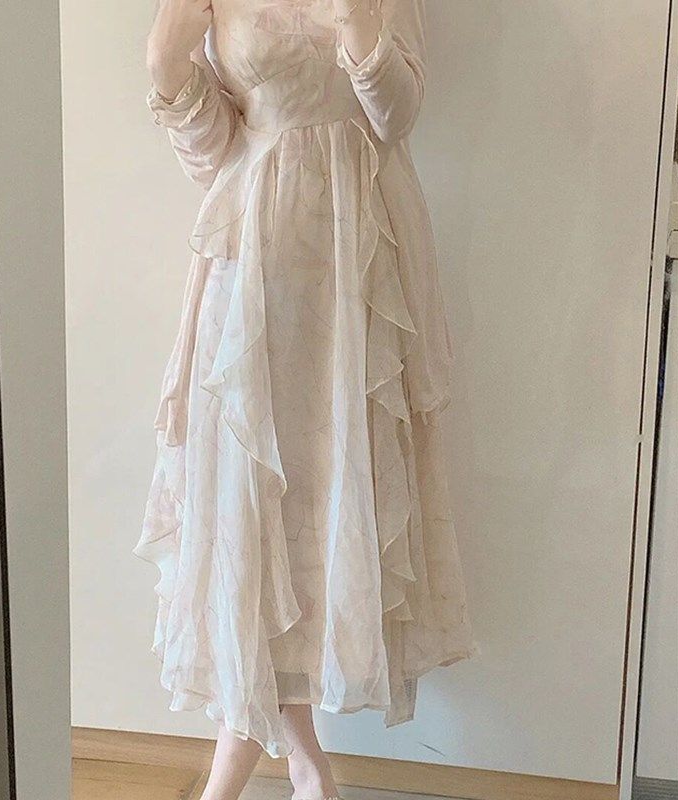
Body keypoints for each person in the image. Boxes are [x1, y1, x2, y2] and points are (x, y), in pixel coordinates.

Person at [133, 0, 478, 797]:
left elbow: (396, 118)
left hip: (362, 262)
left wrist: (357, 20)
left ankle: (277, 761)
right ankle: (290, 755)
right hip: (254, 262)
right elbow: (211, 151)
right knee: (248, 494)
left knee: (330, 495)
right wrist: (166, 66)